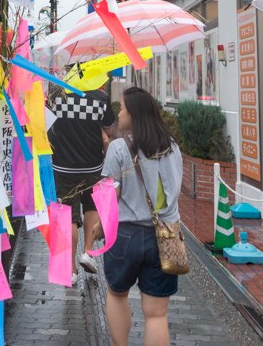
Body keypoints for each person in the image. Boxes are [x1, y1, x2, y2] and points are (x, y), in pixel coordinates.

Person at [95, 86, 182, 346]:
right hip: (166, 235)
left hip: (125, 234)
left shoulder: (118, 148)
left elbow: (110, 196)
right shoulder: (172, 147)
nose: (119, 114)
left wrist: (100, 225)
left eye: (122, 108)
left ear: (134, 113)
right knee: (157, 314)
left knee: (117, 295)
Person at [47, 83, 115, 286]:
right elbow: (109, 130)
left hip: (63, 166)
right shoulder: (100, 97)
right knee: (92, 207)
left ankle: (71, 270)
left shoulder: (56, 93)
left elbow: (45, 124)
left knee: (68, 215)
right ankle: (87, 253)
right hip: (93, 165)